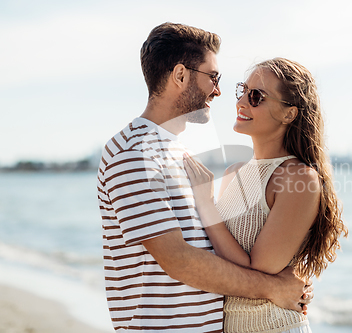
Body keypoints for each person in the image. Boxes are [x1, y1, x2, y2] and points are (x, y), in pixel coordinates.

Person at [97, 23, 313, 333]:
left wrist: (290, 284)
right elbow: (179, 261)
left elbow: (220, 248)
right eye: (213, 77)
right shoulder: (135, 154)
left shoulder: (176, 153)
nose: (219, 90)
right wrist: (272, 288)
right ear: (181, 75)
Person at [183, 57, 348, 332]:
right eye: (243, 91)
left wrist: (205, 202)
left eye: (256, 96)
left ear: (289, 114)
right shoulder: (234, 172)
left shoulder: (298, 178)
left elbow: (258, 270)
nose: (241, 102)